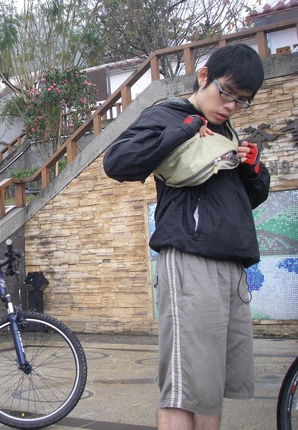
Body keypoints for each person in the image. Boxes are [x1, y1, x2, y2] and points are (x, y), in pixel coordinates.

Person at [102, 43, 270, 430]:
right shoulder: (169, 114)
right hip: (191, 261)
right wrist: (185, 130)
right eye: (226, 92)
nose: (230, 105)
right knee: (183, 386)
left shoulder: (226, 132)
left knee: (208, 385)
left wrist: (253, 168)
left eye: (242, 101)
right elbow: (118, 162)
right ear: (203, 77)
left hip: (232, 264)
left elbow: (242, 202)